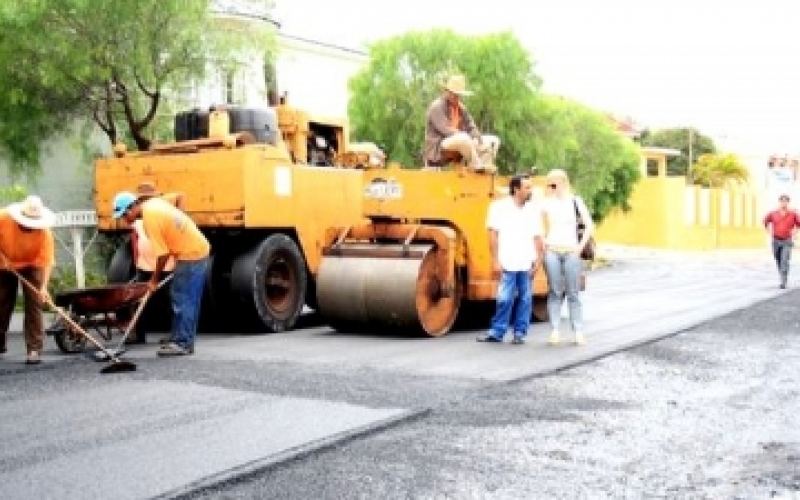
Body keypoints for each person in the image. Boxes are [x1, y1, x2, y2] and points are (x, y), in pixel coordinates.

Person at [112, 191, 210, 356]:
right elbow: (179, 196)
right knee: (180, 296)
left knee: (184, 300)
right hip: (192, 249)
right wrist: (181, 225)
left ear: (133, 207)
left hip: (191, 253)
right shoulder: (154, 203)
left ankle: (183, 343)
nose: (125, 219)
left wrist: (153, 280)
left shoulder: (150, 219)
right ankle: (180, 339)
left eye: (124, 214)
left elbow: (162, 254)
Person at [477, 174, 544, 344]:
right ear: (516, 189)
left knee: (525, 298)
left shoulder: (533, 210)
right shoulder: (498, 208)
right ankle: (497, 332)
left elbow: (538, 237)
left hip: (526, 260)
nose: (530, 191)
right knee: (504, 298)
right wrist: (495, 260)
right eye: (527, 187)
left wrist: (539, 260)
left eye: (530, 187)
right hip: (507, 260)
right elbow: (492, 234)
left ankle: (520, 333)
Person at [540, 169, 595, 346]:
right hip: (552, 250)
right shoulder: (546, 203)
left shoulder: (575, 201)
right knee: (555, 292)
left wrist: (579, 247)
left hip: (571, 250)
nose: (551, 186)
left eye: (554, 183)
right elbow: (537, 224)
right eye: (549, 184)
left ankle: (578, 331)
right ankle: (554, 330)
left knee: (573, 292)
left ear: (563, 182)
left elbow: (589, 225)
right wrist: (543, 242)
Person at [126, 182, 185, 345]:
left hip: (165, 264)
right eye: (142, 199)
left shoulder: (161, 204)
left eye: (147, 198)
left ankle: (175, 334)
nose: (145, 201)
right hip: (144, 265)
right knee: (138, 299)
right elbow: (135, 239)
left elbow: (180, 195)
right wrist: (137, 259)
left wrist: (180, 218)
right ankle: (138, 334)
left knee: (172, 300)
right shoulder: (136, 215)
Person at [0, 195, 56, 364]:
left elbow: (46, 262)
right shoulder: (3, 218)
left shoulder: (45, 233)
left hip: (32, 265)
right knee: (1, 303)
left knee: (34, 304)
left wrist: (44, 288)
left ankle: (34, 348)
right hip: (4, 263)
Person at [424, 74, 500, 173]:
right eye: (455, 94)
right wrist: (468, 137)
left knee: (493, 140)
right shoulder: (436, 107)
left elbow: (470, 125)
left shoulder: (461, 108)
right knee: (463, 137)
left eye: (459, 95)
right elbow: (445, 130)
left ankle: (483, 171)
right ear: (447, 92)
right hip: (440, 145)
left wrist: (477, 135)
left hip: (461, 141)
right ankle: (476, 166)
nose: (457, 97)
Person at [763, 193, 800, 289]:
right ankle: (782, 275)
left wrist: (795, 233)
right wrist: (769, 232)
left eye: (785, 201)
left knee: (784, 260)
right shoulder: (773, 213)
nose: (783, 203)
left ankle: (783, 281)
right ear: (779, 202)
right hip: (776, 240)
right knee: (778, 259)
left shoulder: (793, 214)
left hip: (787, 240)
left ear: (788, 202)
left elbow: (798, 224)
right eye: (782, 201)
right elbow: (765, 222)